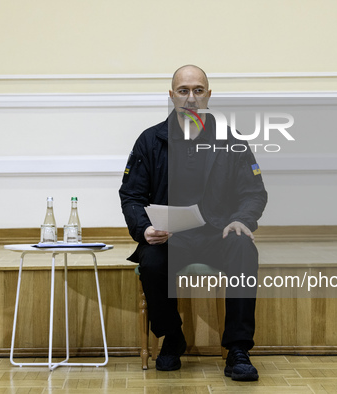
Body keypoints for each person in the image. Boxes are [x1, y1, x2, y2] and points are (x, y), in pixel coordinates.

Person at [119, 65, 267, 381]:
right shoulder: (150, 140)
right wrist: (145, 229)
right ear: (172, 96)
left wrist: (241, 220)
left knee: (244, 247)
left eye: (198, 90)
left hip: (218, 234)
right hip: (171, 237)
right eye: (183, 90)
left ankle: (238, 350)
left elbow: (253, 192)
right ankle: (172, 337)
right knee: (151, 259)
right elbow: (131, 195)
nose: (191, 98)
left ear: (208, 95)